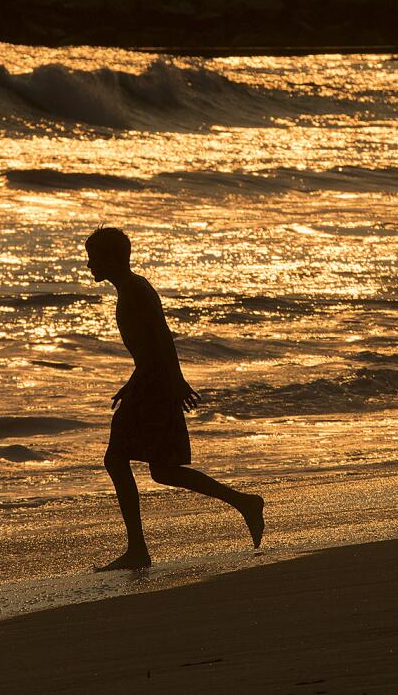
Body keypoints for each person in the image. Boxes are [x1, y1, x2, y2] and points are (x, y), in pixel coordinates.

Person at [85, 227, 264, 571]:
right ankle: (244, 503)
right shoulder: (131, 288)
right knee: (163, 470)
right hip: (150, 381)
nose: (89, 265)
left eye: (93, 258)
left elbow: (162, 337)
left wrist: (176, 381)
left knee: (117, 460)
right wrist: (134, 381)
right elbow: (151, 346)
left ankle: (138, 549)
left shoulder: (135, 290)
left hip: (155, 385)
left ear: (110, 259)